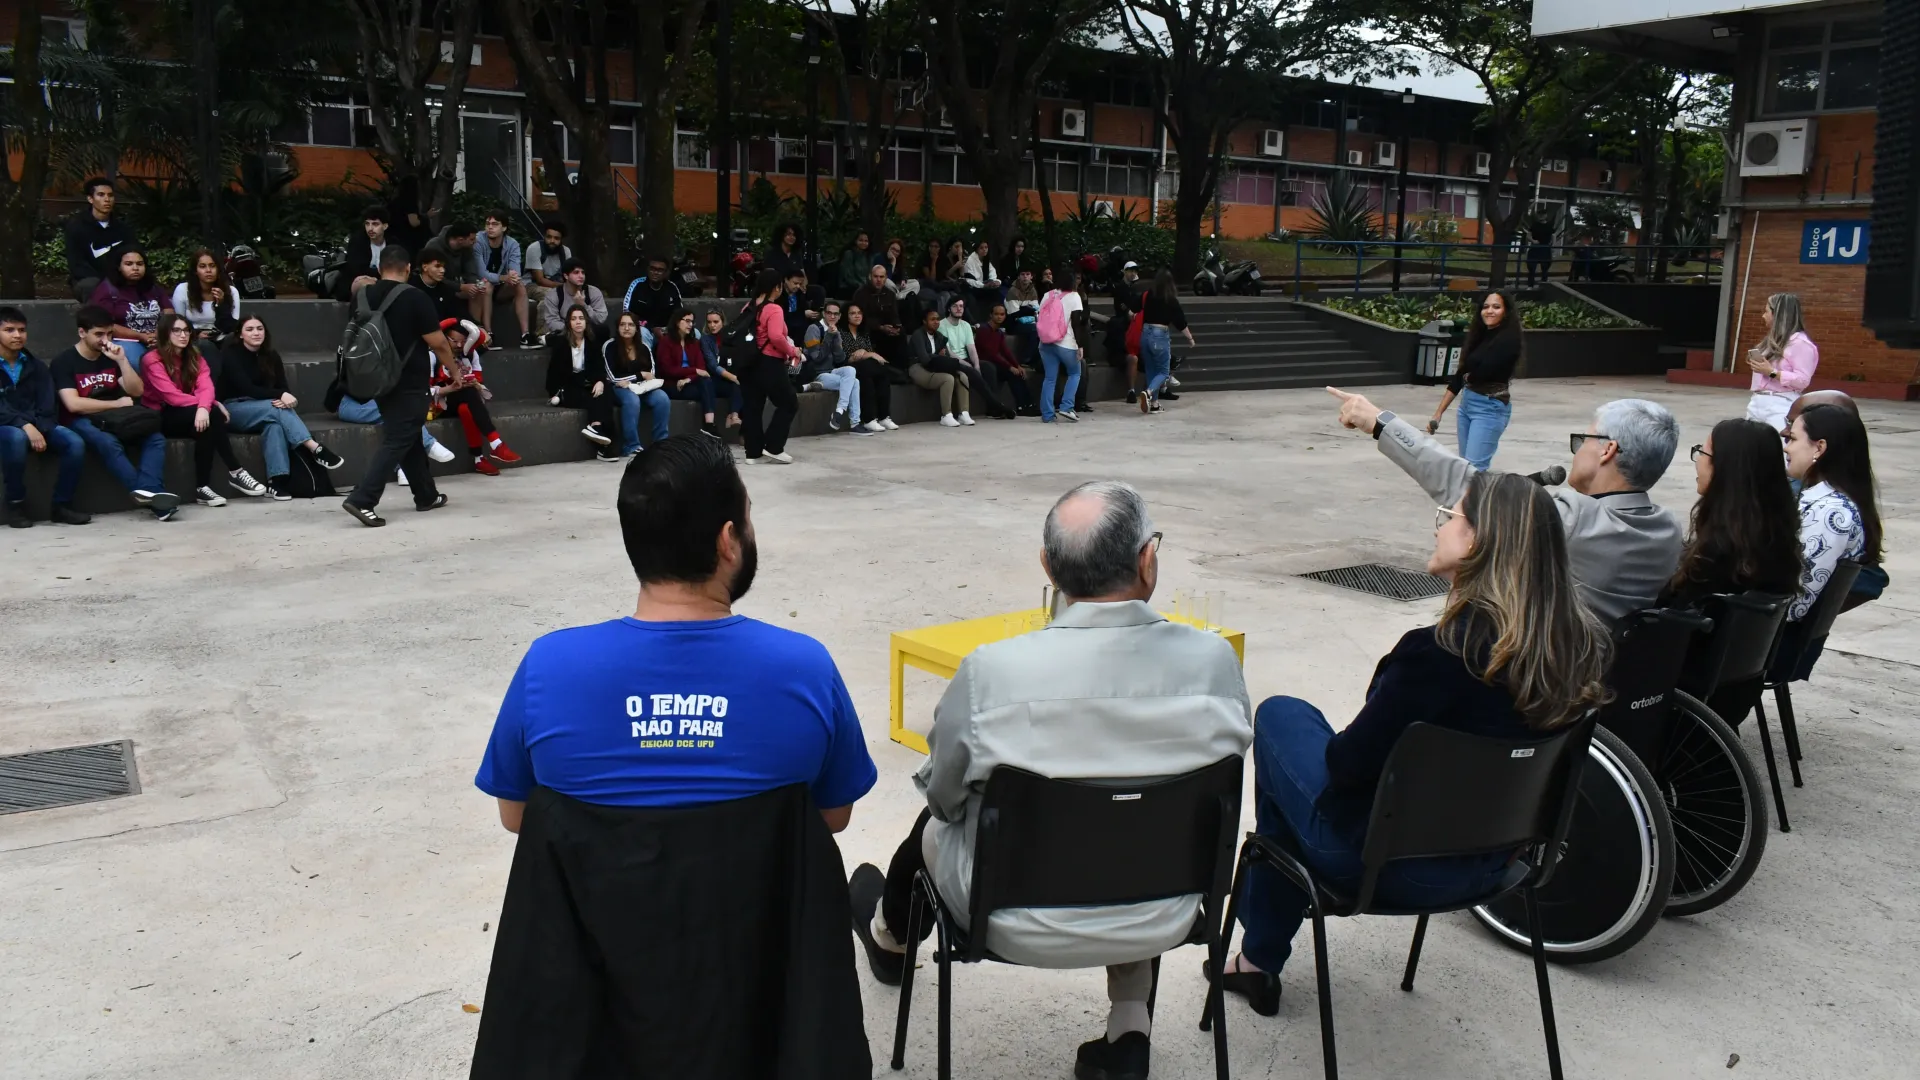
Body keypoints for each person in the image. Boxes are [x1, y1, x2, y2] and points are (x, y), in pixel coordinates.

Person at [472, 434, 878, 1072]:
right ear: (728, 541)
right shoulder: (803, 668)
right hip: (760, 1014)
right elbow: (831, 817)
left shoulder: (550, 667)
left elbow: (518, 816)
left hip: (591, 1024)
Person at [850, 480, 1251, 1080]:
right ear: (1148, 560)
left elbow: (944, 799)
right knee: (1138, 820)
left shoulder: (990, 673)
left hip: (1009, 920)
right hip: (1167, 910)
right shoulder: (1215, 663)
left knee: (934, 823)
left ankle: (890, 933)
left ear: (1048, 567)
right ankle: (1130, 1028)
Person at [1220, 471, 1610, 1017]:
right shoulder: (1577, 651)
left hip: (1385, 867)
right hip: (1497, 864)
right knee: (1296, 753)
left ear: (1478, 541)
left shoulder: (1437, 655)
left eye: (1452, 516)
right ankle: (1256, 958)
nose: (1439, 527)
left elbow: (1347, 768)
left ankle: (1259, 956)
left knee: (1280, 716)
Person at [1329, 388, 1683, 626]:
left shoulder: (1571, 520)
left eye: (1583, 440)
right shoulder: (1668, 530)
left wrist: (1381, 424)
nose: (1577, 451)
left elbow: (1467, 487)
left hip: (1551, 682)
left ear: (1607, 450)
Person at [342, 246, 461, 526]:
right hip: (408, 379)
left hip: (375, 377)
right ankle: (363, 499)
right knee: (399, 437)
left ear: (380, 268)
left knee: (408, 434)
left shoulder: (362, 296)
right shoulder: (415, 297)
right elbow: (438, 342)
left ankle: (426, 495)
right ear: (408, 268)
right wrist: (454, 371)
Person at [1658, 418, 1803, 608]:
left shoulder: (1719, 554)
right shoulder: (1775, 538)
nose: (1698, 461)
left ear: (1725, 468)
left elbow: (1673, 614)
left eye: (1703, 453)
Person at [51, 305, 178, 520]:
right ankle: (157, 501)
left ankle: (150, 492)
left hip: (114, 417)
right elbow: (73, 404)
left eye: (109, 334)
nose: (105, 340)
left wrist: (122, 360)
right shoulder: (64, 362)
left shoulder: (110, 356)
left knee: (154, 437)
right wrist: (116, 404)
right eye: (99, 334)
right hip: (80, 418)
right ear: (82, 332)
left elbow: (136, 391)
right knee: (108, 443)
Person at [213, 316, 346, 500]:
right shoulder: (231, 355)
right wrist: (279, 395)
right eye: (249, 329)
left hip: (266, 408)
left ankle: (276, 482)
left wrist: (284, 398)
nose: (256, 333)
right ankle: (315, 449)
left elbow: (283, 387)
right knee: (275, 410)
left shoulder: (271, 355)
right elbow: (248, 388)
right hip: (233, 409)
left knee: (274, 426)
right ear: (240, 334)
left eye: (259, 328)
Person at [141, 314, 267, 506]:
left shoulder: (194, 356)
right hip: (162, 414)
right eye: (177, 331)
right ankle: (236, 471)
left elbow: (206, 387)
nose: (183, 335)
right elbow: (171, 396)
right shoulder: (152, 360)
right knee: (212, 414)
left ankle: (203, 488)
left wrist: (204, 406)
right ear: (166, 333)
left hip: (189, 412)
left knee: (207, 425)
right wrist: (208, 405)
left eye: (186, 330)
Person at [1782, 404, 1881, 622]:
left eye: (1793, 439)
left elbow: (1794, 604)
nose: (1786, 448)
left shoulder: (1830, 513)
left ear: (1819, 447)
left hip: (1780, 636)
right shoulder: (1822, 500)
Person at [0, 306, 90, 526]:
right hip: (7, 427)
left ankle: (62, 505)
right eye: (9, 330)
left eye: (22, 330)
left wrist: (39, 426)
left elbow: (47, 403)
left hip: (37, 423)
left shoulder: (35, 366)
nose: (17, 335)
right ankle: (15, 503)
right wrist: (24, 425)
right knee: (16, 438)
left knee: (74, 442)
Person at [1424, 289, 1523, 470]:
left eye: (1496, 307)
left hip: (1490, 408)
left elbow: (1483, 372)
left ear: (1506, 312)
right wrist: (1438, 413)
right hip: (1467, 405)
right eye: (1486, 307)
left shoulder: (1509, 340)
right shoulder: (1479, 337)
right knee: (1465, 466)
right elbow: (1460, 376)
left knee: (1474, 469)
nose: (1489, 311)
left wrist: (1469, 376)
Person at [436, 319, 522, 477]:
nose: (459, 345)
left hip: (465, 400)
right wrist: (449, 388)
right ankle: (496, 443)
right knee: (468, 394)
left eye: (463, 341)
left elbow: (481, 388)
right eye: (454, 341)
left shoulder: (470, 355)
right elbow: (424, 391)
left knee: (466, 408)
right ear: (444, 338)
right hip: (439, 403)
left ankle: (479, 459)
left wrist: (475, 384)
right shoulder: (432, 356)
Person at [740, 270, 804, 464]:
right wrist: (792, 351)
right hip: (769, 363)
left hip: (748, 363)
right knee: (789, 403)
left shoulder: (748, 306)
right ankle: (774, 447)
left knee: (753, 408)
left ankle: (753, 454)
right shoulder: (774, 309)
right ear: (777, 287)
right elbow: (776, 336)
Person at [546, 304, 617, 452]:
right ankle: (602, 438)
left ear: (586, 322)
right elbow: (554, 375)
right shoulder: (561, 343)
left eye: (581, 318)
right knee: (594, 398)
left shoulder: (592, 341)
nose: (578, 322)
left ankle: (597, 431)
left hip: (586, 383)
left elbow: (598, 367)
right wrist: (555, 393)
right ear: (569, 323)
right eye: (574, 319)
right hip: (567, 387)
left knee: (606, 392)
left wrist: (600, 381)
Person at [1744, 293, 1818, 433]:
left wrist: (1772, 372)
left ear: (1777, 314)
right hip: (1757, 402)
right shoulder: (1772, 340)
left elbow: (1803, 380)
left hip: (1781, 403)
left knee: (1781, 444)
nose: (1763, 316)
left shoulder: (1800, 343)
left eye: (1766, 311)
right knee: (1751, 444)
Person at [89, 247, 170, 367]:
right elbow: (104, 324)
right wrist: (141, 336)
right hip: (126, 340)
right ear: (119, 267)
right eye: (129, 264)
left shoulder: (153, 288)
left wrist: (159, 332)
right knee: (138, 361)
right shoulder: (106, 290)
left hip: (158, 337)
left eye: (140, 264)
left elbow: (169, 311)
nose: (135, 268)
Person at [604, 311, 672, 456]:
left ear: (636, 328)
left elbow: (651, 373)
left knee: (662, 398)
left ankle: (660, 443)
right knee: (632, 399)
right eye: (622, 325)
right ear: (617, 328)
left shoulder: (644, 347)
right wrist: (639, 375)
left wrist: (632, 379)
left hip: (642, 387)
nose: (626, 328)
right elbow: (613, 377)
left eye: (630, 325)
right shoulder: (609, 346)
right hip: (618, 388)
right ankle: (631, 445)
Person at [799, 302, 871, 434]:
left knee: (851, 370)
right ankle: (853, 422)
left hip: (830, 372)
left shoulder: (835, 331)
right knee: (855, 383)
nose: (832, 316)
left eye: (835, 314)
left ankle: (840, 412)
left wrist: (836, 337)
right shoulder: (814, 329)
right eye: (829, 313)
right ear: (824, 314)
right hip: (816, 373)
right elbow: (816, 358)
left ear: (839, 316)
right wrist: (829, 336)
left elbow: (840, 359)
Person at [938, 297, 1014, 420]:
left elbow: (971, 349)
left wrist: (977, 365)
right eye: (955, 306)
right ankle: (998, 405)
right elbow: (948, 351)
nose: (958, 309)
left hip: (965, 358)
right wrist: (967, 365)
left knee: (988, 367)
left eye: (961, 306)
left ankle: (992, 410)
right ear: (948, 309)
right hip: (951, 360)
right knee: (971, 371)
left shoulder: (966, 325)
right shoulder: (942, 325)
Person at [63, 177, 136, 302]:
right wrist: (106, 283)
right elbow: (77, 264)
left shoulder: (123, 228)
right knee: (92, 286)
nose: (107, 199)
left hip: (119, 278)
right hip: (87, 280)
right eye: (101, 195)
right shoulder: (76, 227)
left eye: (110, 195)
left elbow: (134, 254)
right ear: (90, 199)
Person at [1136, 270, 1193, 415]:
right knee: (1163, 371)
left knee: (1151, 370)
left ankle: (1154, 404)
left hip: (1145, 333)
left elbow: (1135, 306)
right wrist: (1190, 338)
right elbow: (1180, 321)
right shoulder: (1170, 299)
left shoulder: (1149, 295)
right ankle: (1148, 392)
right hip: (1159, 335)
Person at [907, 307, 973, 428]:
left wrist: (939, 356)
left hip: (934, 366)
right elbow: (924, 359)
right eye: (932, 319)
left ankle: (964, 413)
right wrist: (937, 355)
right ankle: (946, 415)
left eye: (938, 319)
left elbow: (945, 356)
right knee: (947, 379)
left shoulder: (939, 336)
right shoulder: (918, 335)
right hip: (918, 367)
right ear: (924, 321)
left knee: (962, 376)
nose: (936, 322)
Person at [1037, 266, 1086, 424]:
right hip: (1066, 342)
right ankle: (1067, 406)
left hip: (1045, 342)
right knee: (1075, 373)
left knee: (1049, 378)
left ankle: (1047, 414)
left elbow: (1040, 316)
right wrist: (1080, 345)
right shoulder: (1074, 296)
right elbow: (1076, 323)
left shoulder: (1048, 295)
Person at [839, 302, 898, 432]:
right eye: (852, 313)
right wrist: (868, 353)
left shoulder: (863, 333)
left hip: (865, 366)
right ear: (846, 316)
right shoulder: (841, 332)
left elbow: (866, 353)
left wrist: (865, 353)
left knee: (881, 374)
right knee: (867, 375)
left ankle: (884, 417)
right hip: (846, 367)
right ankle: (869, 419)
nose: (857, 316)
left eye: (859, 313)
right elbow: (848, 357)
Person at [423, 221, 490, 325]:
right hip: (436, 287)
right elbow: (433, 277)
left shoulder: (467, 248)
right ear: (460, 240)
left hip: (455, 286)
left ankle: (476, 327)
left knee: (478, 291)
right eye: (472, 239)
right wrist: (461, 287)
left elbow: (470, 271)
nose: (475, 242)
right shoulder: (434, 247)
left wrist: (475, 285)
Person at [977, 304, 1038, 417]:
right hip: (985, 363)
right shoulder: (984, 329)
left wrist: (1017, 365)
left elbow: (1006, 351)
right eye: (996, 314)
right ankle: (1009, 407)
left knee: (1018, 374)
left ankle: (1027, 405)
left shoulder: (999, 332)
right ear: (991, 315)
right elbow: (991, 353)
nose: (999, 317)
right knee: (1010, 372)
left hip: (996, 363)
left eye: (1002, 314)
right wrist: (1010, 367)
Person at [477, 212, 528, 347]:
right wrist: (504, 277)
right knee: (487, 284)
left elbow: (515, 271)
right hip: (480, 285)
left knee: (519, 285)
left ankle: (525, 335)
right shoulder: (478, 241)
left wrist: (513, 276)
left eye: (495, 224)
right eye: (488, 224)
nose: (490, 227)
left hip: (501, 287)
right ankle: (489, 334)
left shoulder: (512, 244)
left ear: (504, 227)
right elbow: (481, 273)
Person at [172, 248, 241, 342]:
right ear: (195, 271)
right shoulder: (183, 289)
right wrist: (196, 334)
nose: (208, 270)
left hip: (222, 338)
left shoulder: (231, 291)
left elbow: (232, 328)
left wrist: (221, 304)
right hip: (192, 338)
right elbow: (178, 322)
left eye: (212, 266)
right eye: (202, 266)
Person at [696, 309, 746, 430]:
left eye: (716, 322)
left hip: (729, 377)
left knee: (742, 384)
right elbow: (713, 365)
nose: (712, 325)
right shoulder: (705, 340)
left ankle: (733, 416)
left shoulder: (731, 338)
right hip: (714, 380)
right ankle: (731, 417)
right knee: (737, 381)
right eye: (709, 322)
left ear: (723, 322)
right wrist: (734, 377)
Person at [524, 221, 572, 344]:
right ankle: (541, 335)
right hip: (531, 285)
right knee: (549, 296)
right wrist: (564, 287)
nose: (552, 241)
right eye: (549, 237)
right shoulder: (534, 248)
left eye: (556, 238)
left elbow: (569, 276)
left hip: (556, 286)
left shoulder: (566, 252)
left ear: (561, 240)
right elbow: (540, 280)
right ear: (544, 236)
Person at [852, 262, 910, 364]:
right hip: (869, 329)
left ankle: (902, 367)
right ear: (870, 277)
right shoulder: (861, 294)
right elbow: (859, 318)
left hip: (886, 328)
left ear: (886, 278)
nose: (878, 280)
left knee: (901, 333)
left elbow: (894, 315)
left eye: (881, 277)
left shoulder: (890, 294)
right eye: (876, 276)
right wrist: (880, 327)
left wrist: (896, 327)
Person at [538, 259, 609, 335]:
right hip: (565, 333)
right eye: (576, 272)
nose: (581, 276)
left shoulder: (593, 292)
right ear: (566, 276)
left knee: (603, 330)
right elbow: (552, 321)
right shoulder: (554, 295)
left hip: (588, 332)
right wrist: (573, 329)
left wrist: (583, 305)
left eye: (583, 273)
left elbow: (600, 319)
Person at [339, 204, 391, 299]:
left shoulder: (392, 243)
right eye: (367, 224)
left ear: (385, 226)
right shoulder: (358, 241)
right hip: (359, 282)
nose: (370, 228)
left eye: (375, 224)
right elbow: (356, 269)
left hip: (385, 283)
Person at [623, 256, 683, 338]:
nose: (655, 272)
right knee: (642, 332)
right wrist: (651, 328)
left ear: (666, 273)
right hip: (644, 329)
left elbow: (679, 314)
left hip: (667, 330)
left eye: (660, 270)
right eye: (652, 269)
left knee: (695, 332)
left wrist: (667, 329)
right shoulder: (637, 285)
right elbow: (627, 313)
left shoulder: (672, 287)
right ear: (648, 269)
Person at [410, 249, 466, 323]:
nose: (442, 270)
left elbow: (460, 314)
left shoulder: (446, 289)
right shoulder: (411, 288)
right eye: (437, 266)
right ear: (425, 267)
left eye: (443, 266)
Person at [1005, 269, 1041, 367]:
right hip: (1013, 323)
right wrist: (1027, 310)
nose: (1025, 276)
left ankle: (1038, 360)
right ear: (1018, 277)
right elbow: (1014, 313)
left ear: (1031, 277)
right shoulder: (1012, 291)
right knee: (1035, 329)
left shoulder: (1032, 290)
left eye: (1027, 274)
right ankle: (1026, 359)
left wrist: (1025, 309)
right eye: (1022, 274)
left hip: (1029, 321)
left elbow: (1036, 309)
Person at [962, 238, 1002, 322]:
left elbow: (992, 272)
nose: (984, 250)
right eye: (981, 248)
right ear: (977, 249)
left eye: (986, 247)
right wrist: (983, 285)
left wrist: (994, 282)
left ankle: (996, 319)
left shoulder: (986, 259)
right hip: (973, 287)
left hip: (985, 285)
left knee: (997, 292)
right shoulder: (970, 260)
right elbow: (969, 280)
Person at [837, 231, 876, 297]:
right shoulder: (849, 254)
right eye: (861, 240)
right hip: (849, 287)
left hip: (865, 287)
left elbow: (870, 274)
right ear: (855, 241)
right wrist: (862, 286)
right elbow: (848, 277)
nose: (863, 243)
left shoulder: (869, 256)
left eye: (866, 241)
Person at [1524, 217, 1554, 288]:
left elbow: (1553, 235)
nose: (1541, 216)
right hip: (1535, 247)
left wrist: (1552, 244)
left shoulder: (1549, 226)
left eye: (1543, 214)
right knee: (1532, 267)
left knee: (1545, 267)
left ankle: (1544, 284)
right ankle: (1530, 285)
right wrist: (1533, 241)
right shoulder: (1535, 225)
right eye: (1540, 214)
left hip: (1545, 247)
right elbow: (1528, 235)